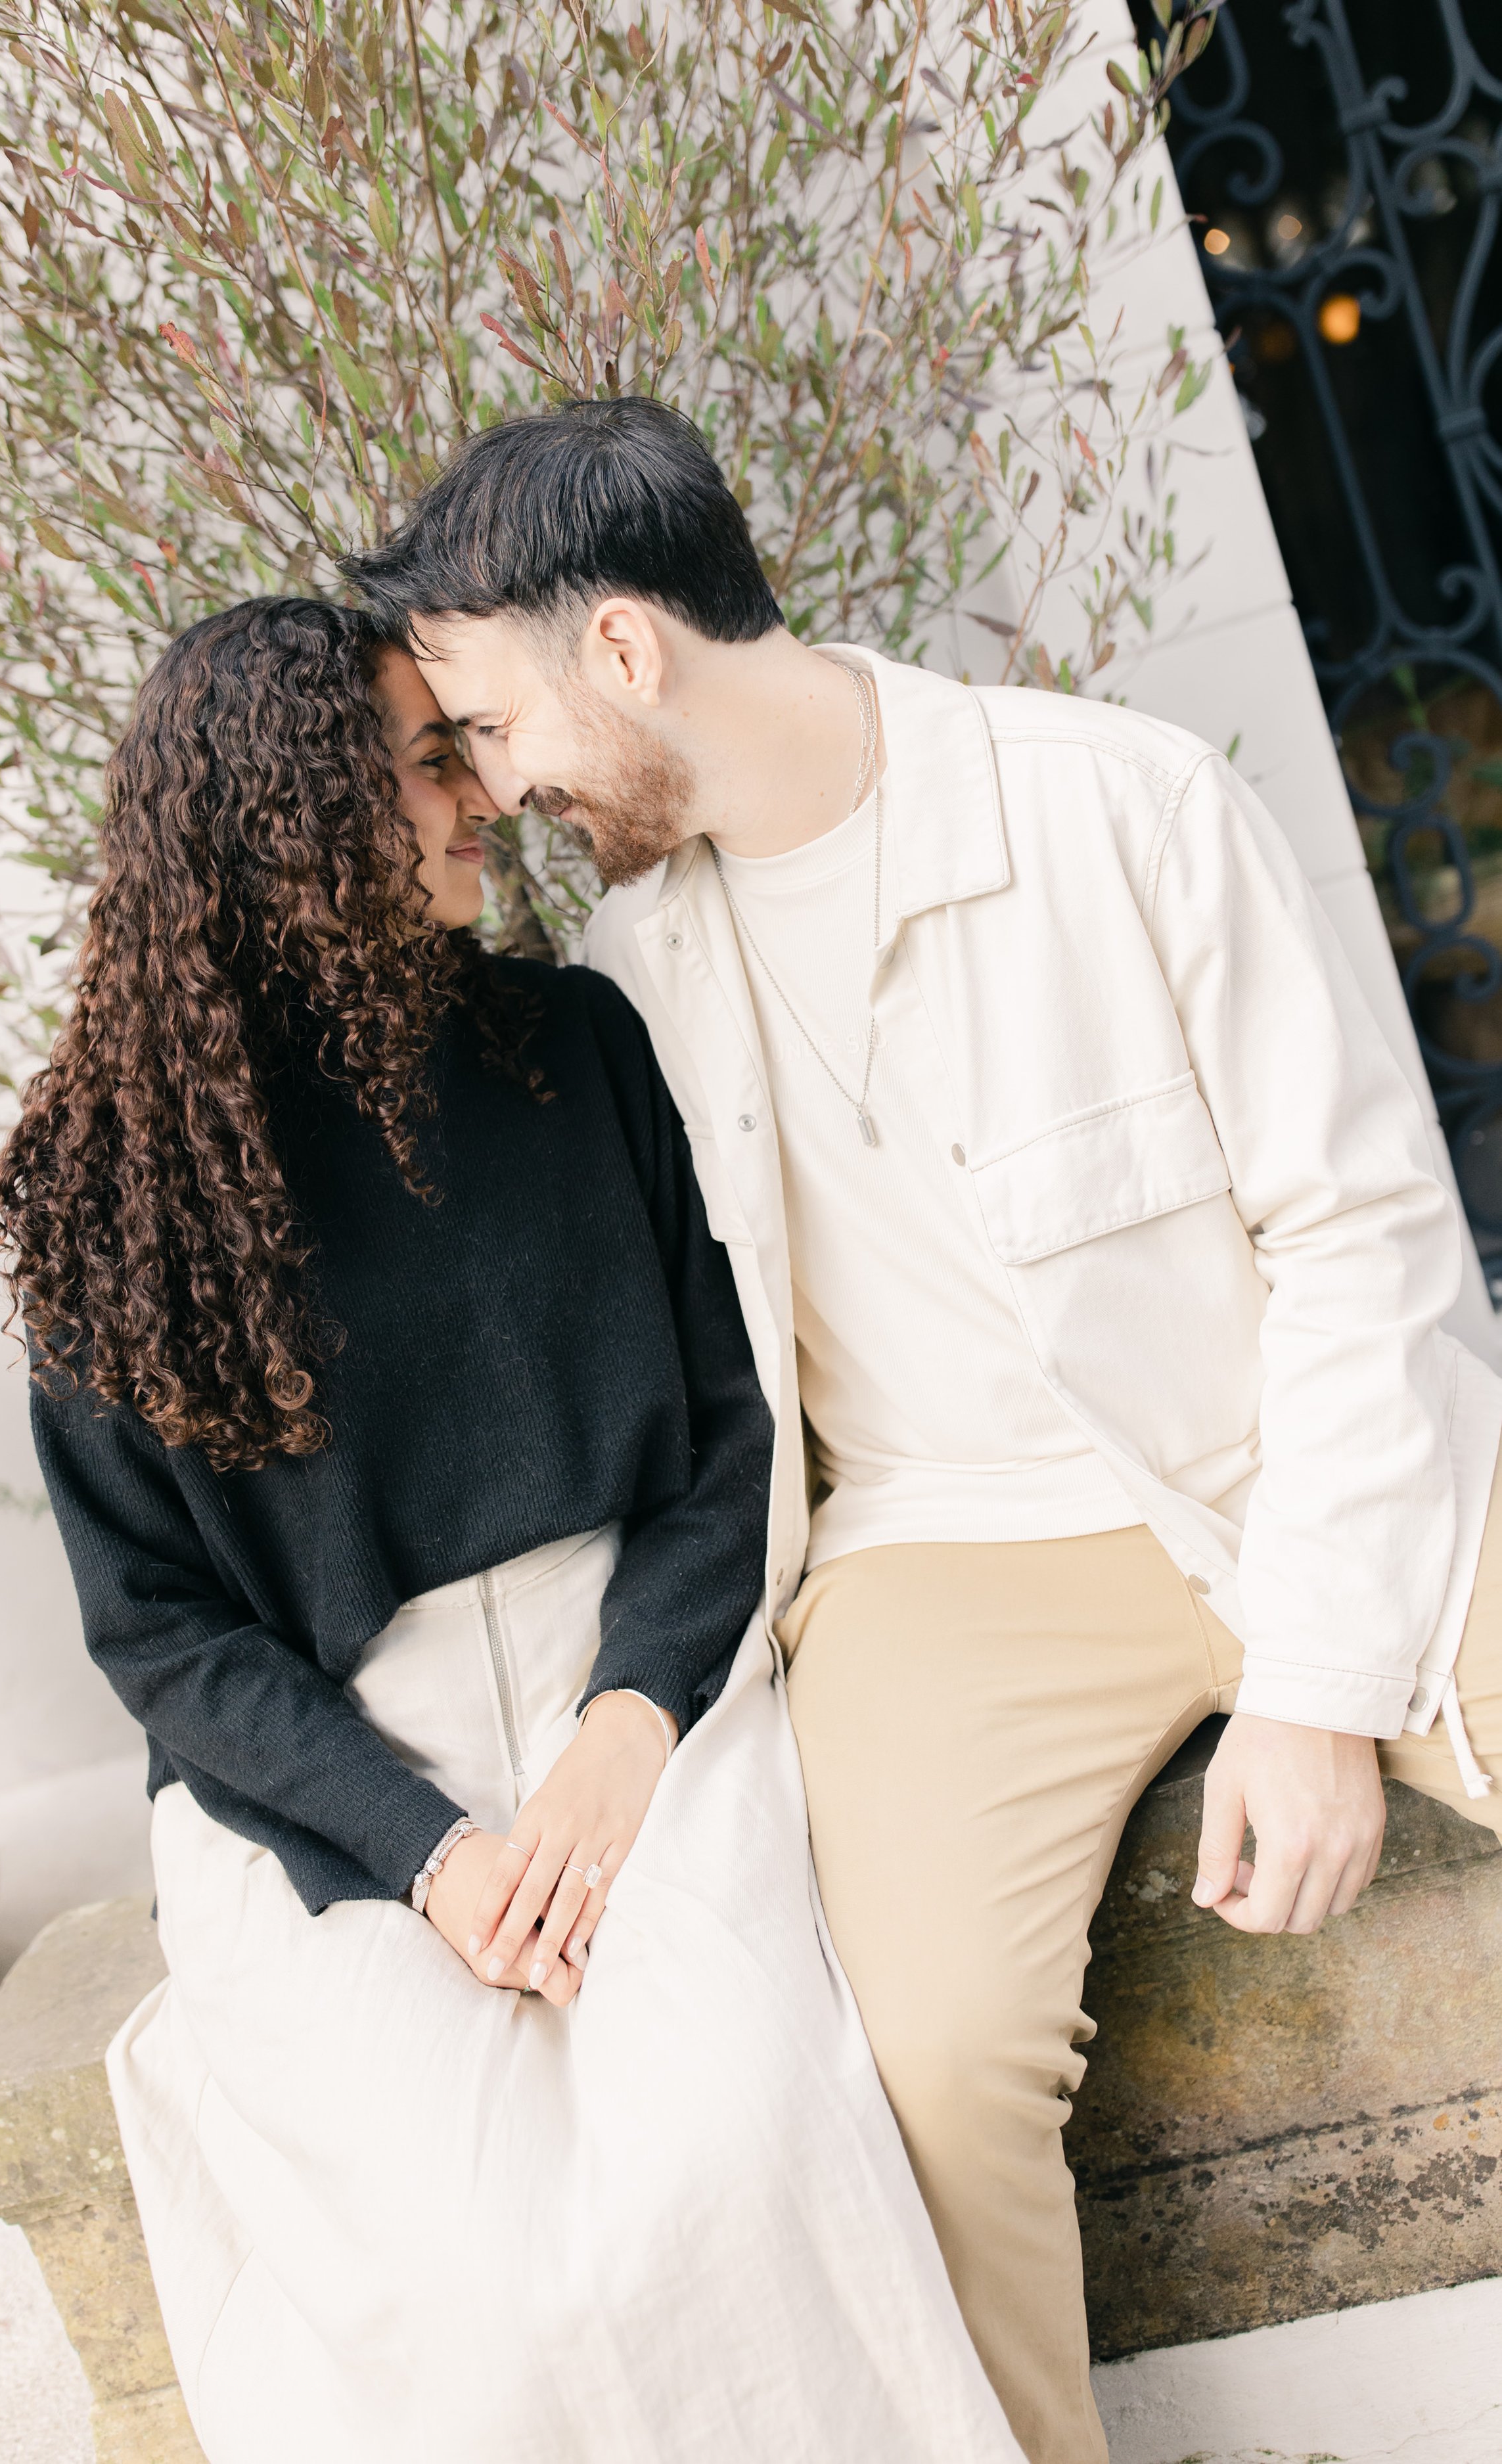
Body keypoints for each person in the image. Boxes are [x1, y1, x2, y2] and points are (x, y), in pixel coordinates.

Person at [343, 397, 1502, 2464]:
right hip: (937, 1562)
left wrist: (1319, 1688)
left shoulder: (1118, 804)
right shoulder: (628, 970)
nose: (498, 793)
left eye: (494, 730)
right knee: (913, 2068)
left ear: (625, 651)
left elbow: (1364, 1242)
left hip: (1303, 1449)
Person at [0, 597, 1023, 2464]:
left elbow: (724, 1436)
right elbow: (160, 1636)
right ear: (292, 820)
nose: (485, 798)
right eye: (431, 762)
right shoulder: (110, 1196)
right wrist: (427, 1854)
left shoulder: (572, 1047)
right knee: (461, 2273)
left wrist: (631, 1723)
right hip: (325, 1773)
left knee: (737, 2152)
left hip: (632, 1681)